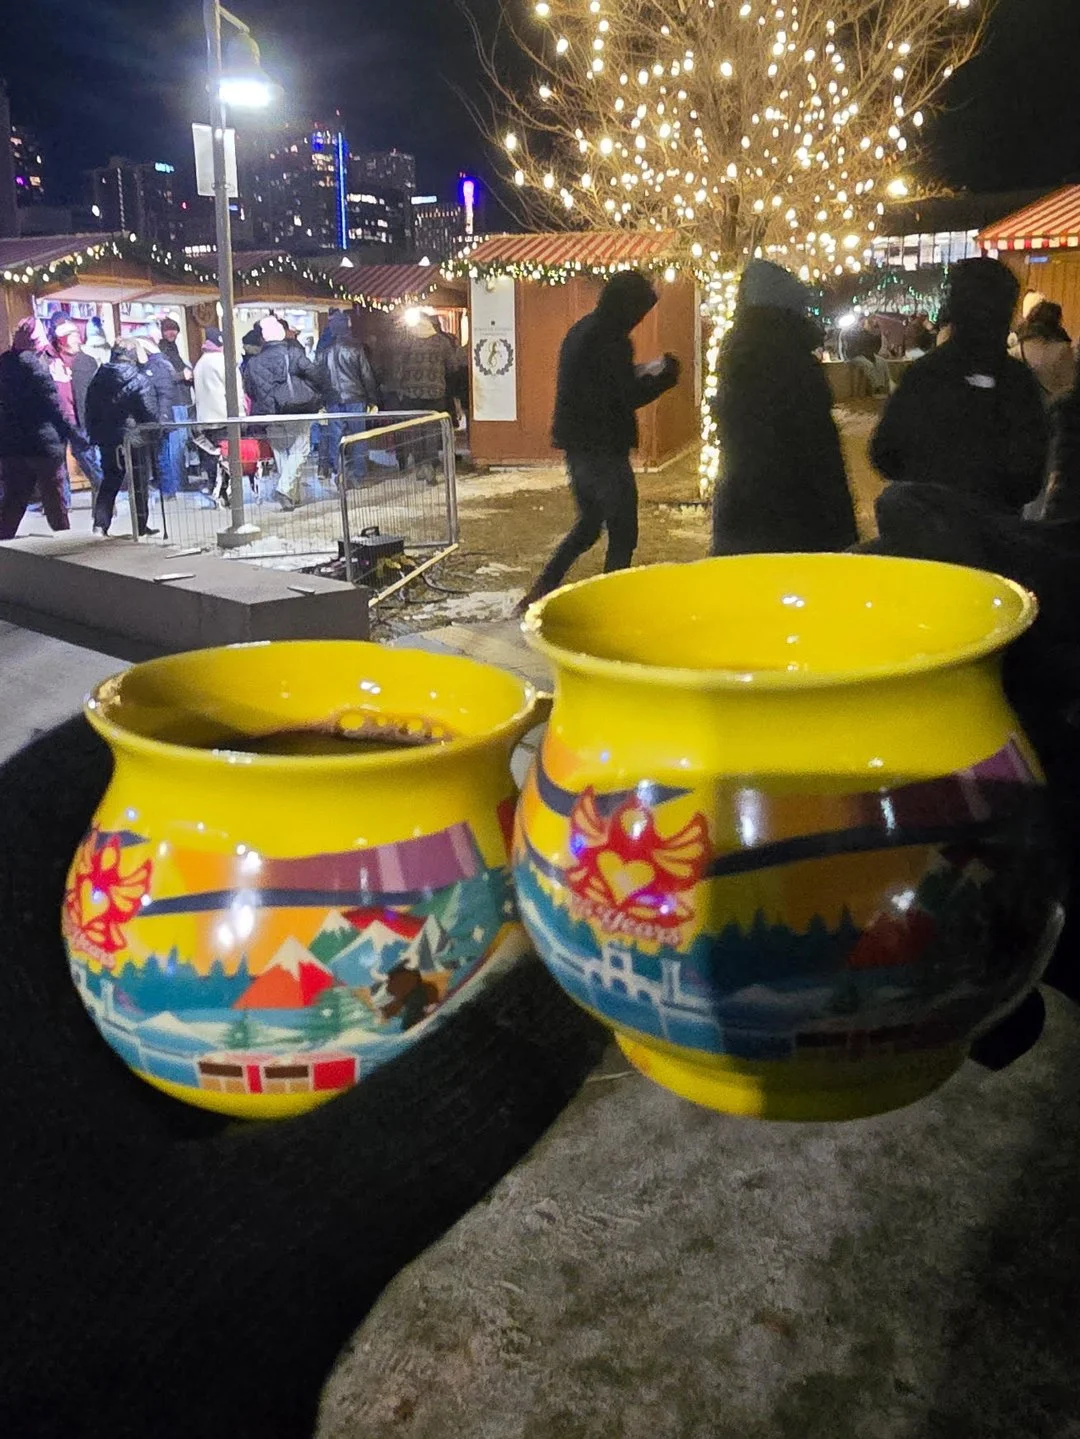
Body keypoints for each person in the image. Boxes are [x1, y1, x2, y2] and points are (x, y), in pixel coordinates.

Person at [517, 271, 680, 609]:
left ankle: (540, 589)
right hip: (603, 450)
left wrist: (642, 371)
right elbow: (623, 395)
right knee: (623, 531)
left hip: (580, 448)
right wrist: (665, 378)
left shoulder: (585, 330)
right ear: (627, 306)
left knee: (589, 526)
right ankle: (612, 603)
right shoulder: (610, 339)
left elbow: (606, 383)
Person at [870, 257, 1049, 515]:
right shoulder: (1018, 382)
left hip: (925, 533)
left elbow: (884, 453)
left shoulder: (925, 374)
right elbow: (1029, 479)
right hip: (994, 536)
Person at [711, 260, 858, 557]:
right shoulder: (794, 363)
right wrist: (843, 534)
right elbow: (819, 454)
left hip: (742, 522)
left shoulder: (737, 354)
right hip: (800, 524)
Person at [0, 317, 77, 538]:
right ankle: (65, 544)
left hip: (11, 444)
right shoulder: (35, 367)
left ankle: (4, 541)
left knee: (14, 497)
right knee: (54, 495)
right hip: (41, 442)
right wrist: (71, 432)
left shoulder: (4, 364)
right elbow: (52, 404)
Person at [242, 314, 323, 510]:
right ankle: (285, 489)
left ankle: (291, 497)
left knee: (281, 452)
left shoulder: (254, 362)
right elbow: (315, 374)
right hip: (296, 409)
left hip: (269, 414)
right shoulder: (293, 354)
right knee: (300, 450)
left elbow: (250, 390)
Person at [84, 341, 160, 537]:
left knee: (110, 479)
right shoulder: (139, 379)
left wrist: (95, 434)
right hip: (134, 435)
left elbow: (90, 409)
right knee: (139, 481)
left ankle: (100, 524)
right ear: (132, 356)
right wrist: (154, 433)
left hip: (107, 437)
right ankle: (140, 525)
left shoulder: (98, 378)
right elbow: (149, 412)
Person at [316, 311, 381, 484]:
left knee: (335, 437)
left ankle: (340, 472)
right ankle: (358, 475)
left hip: (332, 399)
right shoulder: (356, 348)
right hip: (355, 398)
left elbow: (319, 377)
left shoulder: (323, 351)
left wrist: (321, 401)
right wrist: (373, 399)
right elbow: (366, 375)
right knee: (358, 436)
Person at [47, 315, 103, 499]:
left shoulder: (87, 361)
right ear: (62, 341)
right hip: (56, 419)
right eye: (72, 336)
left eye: (77, 335)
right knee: (57, 461)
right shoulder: (50, 361)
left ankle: (103, 492)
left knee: (86, 457)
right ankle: (63, 501)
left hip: (80, 418)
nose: (78, 339)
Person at [192, 326, 234, 502]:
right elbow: (234, 389)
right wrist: (241, 413)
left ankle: (214, 487)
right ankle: (227, 492)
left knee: (212, 454)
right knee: (226, 455)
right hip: (223, 415)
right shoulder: (223, 361)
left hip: (204, 417)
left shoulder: (200, 363)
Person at [1010, 300, 1076, 407]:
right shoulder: (1062, 349)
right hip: (1052, 412)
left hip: (1020, 408)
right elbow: (1068, 387)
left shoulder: (1016, 351)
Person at [842, 314, 891, 395]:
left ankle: (884, 386)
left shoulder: (865, 332)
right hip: (854, 355)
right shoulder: (850, 331)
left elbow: (874, 344)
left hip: (865, 354)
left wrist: (877, 330)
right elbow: (851, 347)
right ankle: (877, 387)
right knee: (869, 365)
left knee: (882, 362)